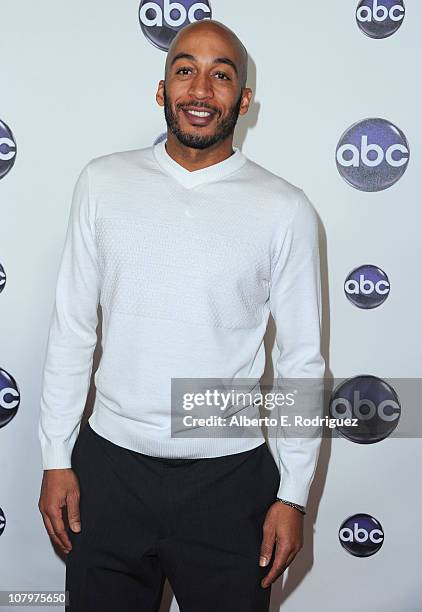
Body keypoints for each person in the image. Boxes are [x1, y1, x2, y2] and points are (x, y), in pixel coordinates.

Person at [38, 18, 325, 612]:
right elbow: (72, 331)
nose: (201, 89)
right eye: (185, 70)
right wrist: (56, 459)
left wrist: (293, 495)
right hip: (109, 473)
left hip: (230, 484)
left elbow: (301, 360)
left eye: (221, 76)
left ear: (243, 100)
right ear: (162, 88)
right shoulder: (102, 182)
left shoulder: (285, 209)